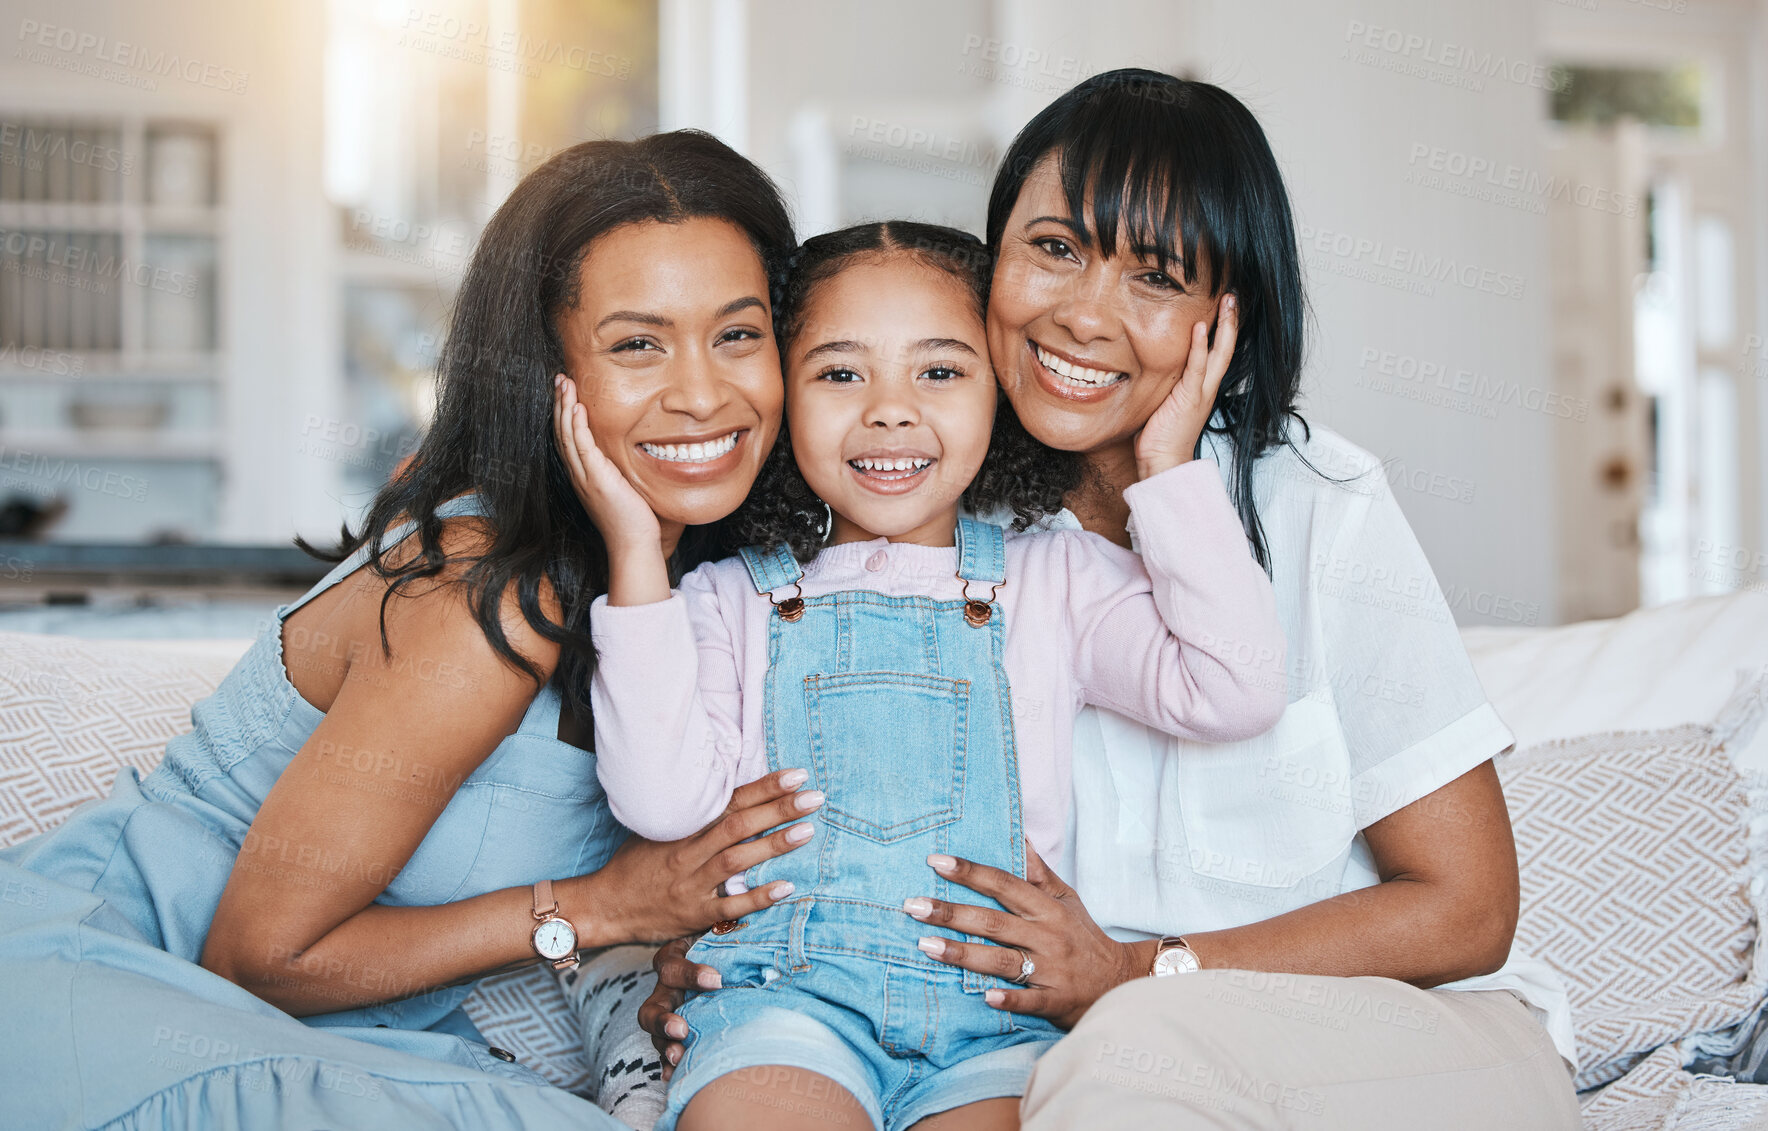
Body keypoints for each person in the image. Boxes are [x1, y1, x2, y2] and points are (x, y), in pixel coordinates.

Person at [635, 73, 1585, 1130]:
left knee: (1118, 1068)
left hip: (1387, 1033)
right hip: (1064, 1042)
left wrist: (1142, 970)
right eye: (1054, 249)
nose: (1084, 315)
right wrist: (737, 958)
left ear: (1225, 318)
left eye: (1157, 278)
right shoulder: (925, 518)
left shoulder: (1318, 504)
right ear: (989, 262)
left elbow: (1465, 910)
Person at [0, 130, 824, 1130]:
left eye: (737, 335)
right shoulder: (481, 593)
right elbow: (258, 957)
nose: (702, 392)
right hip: (109, 990)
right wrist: (602, 907)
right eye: (636, 344)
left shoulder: (696, 588)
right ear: (545, 375)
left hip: (305, 1029)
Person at [557, 220, 1286, 1131]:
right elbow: (660, 805)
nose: (890, 410)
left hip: (997, 1026)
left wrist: (1167, 465)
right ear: (784, 394)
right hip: (787, 1007)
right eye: (839, 372)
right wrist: (636, 553)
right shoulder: (720, 600)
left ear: (997, 391)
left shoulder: (1053, 579)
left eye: (939, 371)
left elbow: (1238, 684)